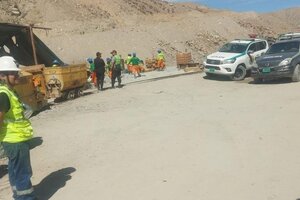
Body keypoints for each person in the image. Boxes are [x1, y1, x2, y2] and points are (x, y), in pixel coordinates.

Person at [0, 56, 37, 200]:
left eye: (17, 73)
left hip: (14, 139)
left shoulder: (9, 91)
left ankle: (18, 195)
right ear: (2, 75)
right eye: (13, 73)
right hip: (15, 140)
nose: (17, 76)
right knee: (23, 173)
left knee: (15, 171)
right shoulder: (4, 94)